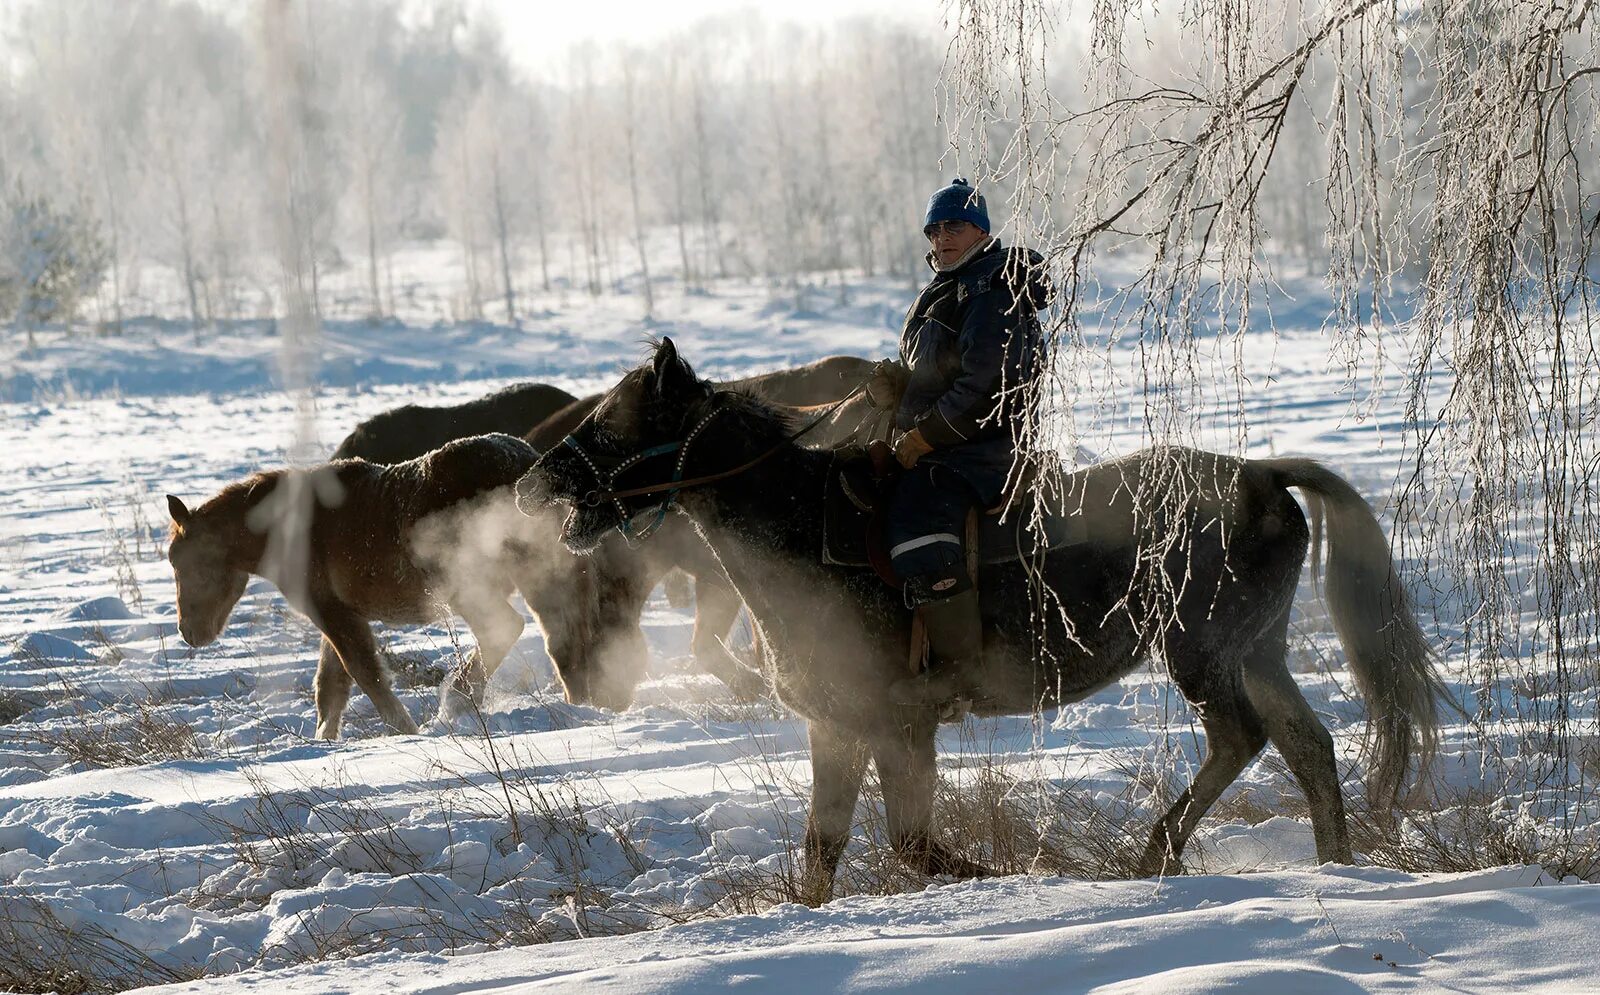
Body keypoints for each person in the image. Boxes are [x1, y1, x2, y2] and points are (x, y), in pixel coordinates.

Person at [865, 177, 1051, 703]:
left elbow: (987, 384)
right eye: (934, 228)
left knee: (915, 523)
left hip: (985, 448)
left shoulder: (993, 291)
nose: (942, 237)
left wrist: (924, 436)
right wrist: (899, 383)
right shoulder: (948, 289)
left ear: (981, 230)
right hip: (953, 443)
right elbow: (940, 371)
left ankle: (962, 671)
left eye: (955, 225)